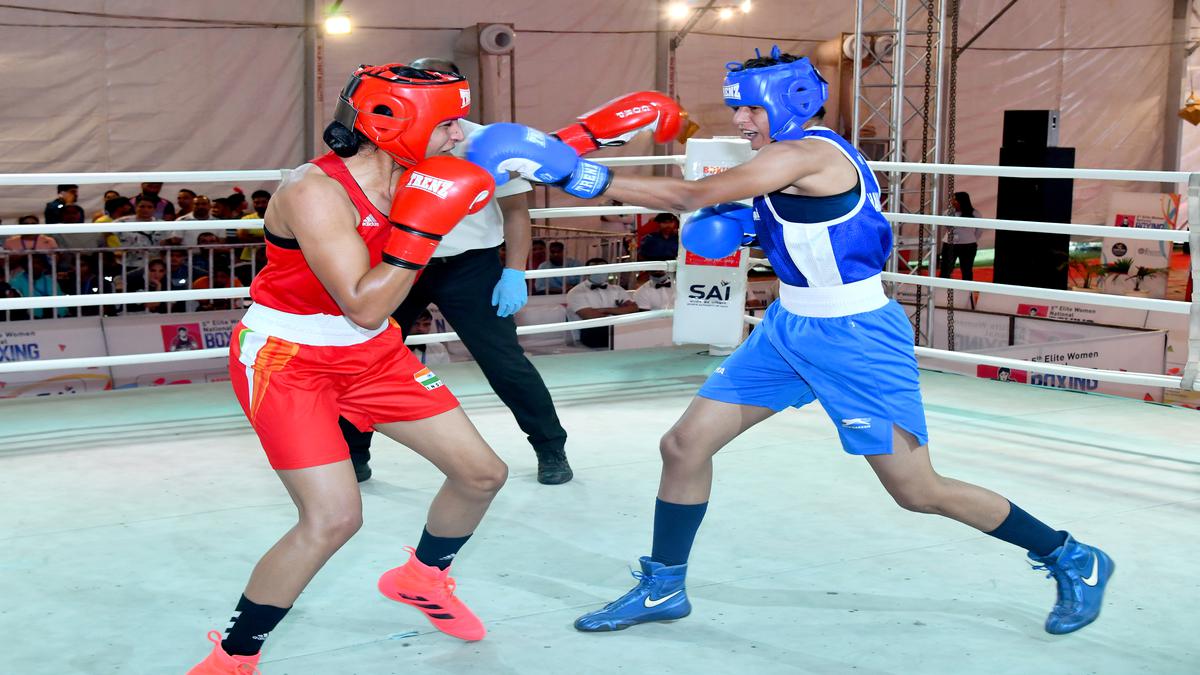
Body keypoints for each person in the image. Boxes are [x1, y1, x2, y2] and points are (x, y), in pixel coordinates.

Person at [467, 45, 1114, 637]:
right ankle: (665, 585)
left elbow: (693, 193)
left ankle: (1071, 554)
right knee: (684, 443)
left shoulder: (805, 155)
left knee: (917, 489)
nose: (742, 121)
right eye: (737, 108)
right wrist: (746, 228)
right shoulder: (778, 164)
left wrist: (575, 174)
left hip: (855, 336)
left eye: (750, 107)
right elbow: (793, 228)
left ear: (788, 102)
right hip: (787, 329)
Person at [187, 63, 502, 675]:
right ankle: (234, 655)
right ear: (396, 125)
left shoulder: (419, 173)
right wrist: (422, 228)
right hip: (290, 358)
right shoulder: (314, 191)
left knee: (481, 474)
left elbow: (369, 324)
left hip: (373, 355)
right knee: (334, 518)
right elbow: (363, 303)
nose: (460, 135)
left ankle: (421, 579)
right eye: (448, 123)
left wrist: (576, 149)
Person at [337, 56, 573, 487]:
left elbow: (518, 213)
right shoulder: (385, 137)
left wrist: (514, 272)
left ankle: (550, 446)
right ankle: (353, 452)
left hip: (470, 265)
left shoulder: (486, 143)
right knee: (366, 360)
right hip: (396, 263)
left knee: (504, 361)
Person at [565, 257, 639, 348]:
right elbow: (590, 316)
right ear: (587, 272)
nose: (599, 272)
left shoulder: (617, 289)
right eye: (595, 269)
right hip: (592, 331)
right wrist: (619, 310)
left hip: (617, 328)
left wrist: (605, 310)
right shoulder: (576, 292)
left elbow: (634, 308)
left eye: (603, 269)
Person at [938, 191, 982, 280]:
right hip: (949, 244)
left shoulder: (975, 214)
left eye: (955, 200)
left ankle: (967, 293)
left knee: (966, 271)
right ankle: (942, 291)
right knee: (945, 270)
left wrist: (969, 239)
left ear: (962, 201)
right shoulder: (947, 212)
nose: (952, 201)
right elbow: (944, 227)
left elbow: (979, 231)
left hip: (968, 246)